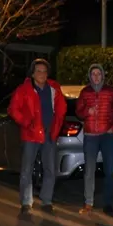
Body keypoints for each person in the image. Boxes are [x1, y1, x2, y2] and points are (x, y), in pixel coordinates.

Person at [8, 58, 67, 215]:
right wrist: (26, 122)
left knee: (50, 169)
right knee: (27, 169)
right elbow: (13, 109)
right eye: (39, 71)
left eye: (44, 71)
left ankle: (47, 200)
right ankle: (26, 202)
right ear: (33, 73)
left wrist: (56, 126)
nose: (42, 74)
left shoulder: (54, 88)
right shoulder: (24, 89)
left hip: (49, 133)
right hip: (31, 134)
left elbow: (61, 109)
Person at [75, 64, 113, 217]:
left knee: (109, 171)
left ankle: (108, 204)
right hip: (90, 137)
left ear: (103, 75)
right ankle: (88, 203)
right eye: (93, 74)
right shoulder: (85, 92)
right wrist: (87, 111)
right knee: (89, 171)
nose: (96, 77)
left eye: (99, 74)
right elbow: (78, 111)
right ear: (90, 76)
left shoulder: (110, 92)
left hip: (107, 136)